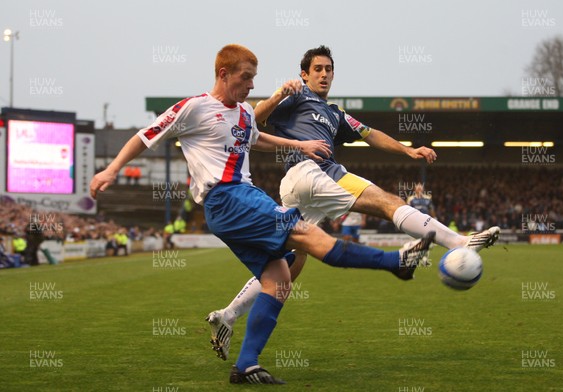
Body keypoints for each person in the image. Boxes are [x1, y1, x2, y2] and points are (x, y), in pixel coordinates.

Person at [89, 44, 435, 385]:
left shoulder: (242, 113)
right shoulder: (193, 108)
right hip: (228, 197)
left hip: (238, 201)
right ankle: (395, 263)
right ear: (224, 74)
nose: (252, 86)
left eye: (254, 78)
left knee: (280, 278)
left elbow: (258, 139)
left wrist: (300, 145)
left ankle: (246, 365)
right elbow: (145, 136)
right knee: (307, 237)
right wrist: (111, 170)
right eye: (247, 78)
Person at [206, 45, 501, 360]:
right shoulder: (296, 97)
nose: (324, 74)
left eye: (328, 69)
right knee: (385, 201)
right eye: (317, 69)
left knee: (289, 265)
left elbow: (370, 134)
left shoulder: (335, 113)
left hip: (299, 186)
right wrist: (280, 93)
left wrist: (408, 150)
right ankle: (460, 243)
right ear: (304, 74)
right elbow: (255, 119)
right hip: (312, 171)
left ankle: (228, 315)